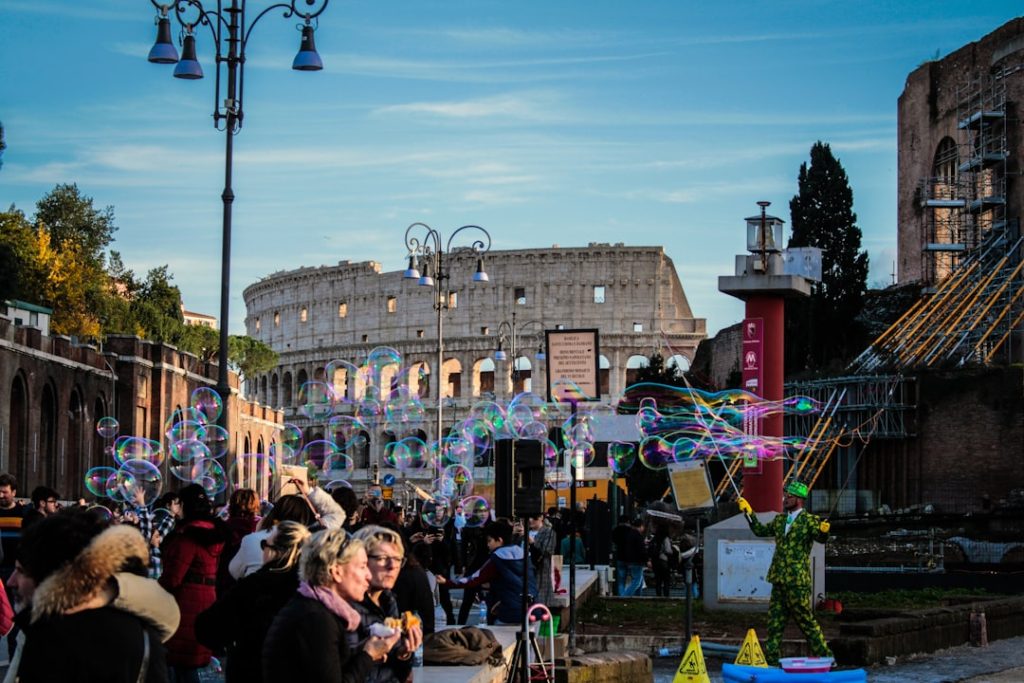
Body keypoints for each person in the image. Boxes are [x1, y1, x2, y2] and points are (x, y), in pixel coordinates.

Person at [9, 507, 180, 683]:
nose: (10, 581)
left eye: (21, 571)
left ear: (51, 575)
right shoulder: (143, 632)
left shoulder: (52, 638)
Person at [262, 528, 400, 683]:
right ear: (336, 571)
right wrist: (368, 655)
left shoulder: (314, 609)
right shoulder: (316, 619)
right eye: (362, 567)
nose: (368, 575)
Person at [196, 521, 310, 683]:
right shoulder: (313, 589)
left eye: (265, 544)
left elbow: (207, 627)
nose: (263, 549)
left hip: (251, 670)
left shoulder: (255, 587)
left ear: (277, 552)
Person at [738, 480, 833, 667]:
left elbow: (820, 539)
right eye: (785, 494)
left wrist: (824, 532)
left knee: (805, 620)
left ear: (799, 498)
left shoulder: (810, 521)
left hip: (797, 581)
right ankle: (772, 661)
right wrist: (748, 513)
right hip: (779, 578)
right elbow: (759, 530)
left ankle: (826, 657)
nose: (785, 498)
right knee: (774, 623)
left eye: (789, 495)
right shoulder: (780, 520)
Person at [159, 484, 229, 683]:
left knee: (179, 662)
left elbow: (173, 578)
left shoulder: (188, 537)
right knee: (189, 661)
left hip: (185, 603)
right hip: (207, 598)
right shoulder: (213, 533)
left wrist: (153, 591)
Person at [350, 525, 424, 683]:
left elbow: (398, 672)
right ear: (360, 560)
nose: (393, 566)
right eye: (382, 558)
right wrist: (369, 656)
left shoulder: (388, 600)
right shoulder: (346, 607)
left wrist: (403, 653)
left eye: (398, 559)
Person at [229, 478, 345, 579]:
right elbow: (338, 514)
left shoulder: (251, 540)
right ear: (305, 516)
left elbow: (234, 571)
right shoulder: (310, 540)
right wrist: (308, 491)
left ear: (275, 512)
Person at [439, 520, 535, 625]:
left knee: (501, 638)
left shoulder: (497, 558)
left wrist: (447, 582)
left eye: (489, 541)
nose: (487, 544)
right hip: (531, 608)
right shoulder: (523, 554)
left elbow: (474, 579)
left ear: (499, 540)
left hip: (508, 612)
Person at [216, 488, 261, 595]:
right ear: (255, 505)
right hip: (252, 579)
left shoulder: (223, 526)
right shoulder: (260, 526)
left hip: (225, 579)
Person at [527, 512, 557, 606]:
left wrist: (532, 542)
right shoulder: (524, 532)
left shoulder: (549, 532)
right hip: (524, 572)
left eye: (534, 517)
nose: (530, 520)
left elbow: (547, 551)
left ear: (541, 517)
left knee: (539, 604)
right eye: (529, 517)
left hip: (540, 573)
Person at [612, 516, 647, 597]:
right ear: (628, 522)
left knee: (621, 580)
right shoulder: (631, 532)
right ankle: (624, 597)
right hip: (630, 558)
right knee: (636, 579)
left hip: (620, 557)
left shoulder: (615, 531)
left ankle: (622, 594)